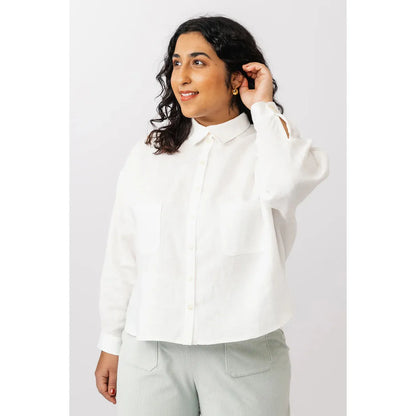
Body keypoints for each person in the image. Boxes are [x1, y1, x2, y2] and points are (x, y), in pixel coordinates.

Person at [94, 15, 329, 416]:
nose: (182, 77)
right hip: (150, 353)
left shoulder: (271, 149)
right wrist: (111, 341)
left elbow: (288, 185)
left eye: (198, 62)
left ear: (237, 77)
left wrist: (264, 107)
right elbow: (123, 253)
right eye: (176, 63)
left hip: (245, 354)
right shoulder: (150, 154)